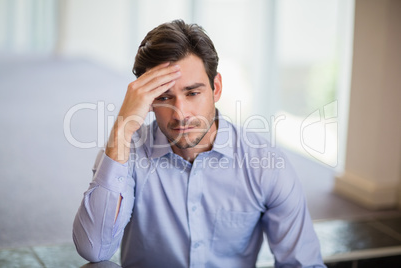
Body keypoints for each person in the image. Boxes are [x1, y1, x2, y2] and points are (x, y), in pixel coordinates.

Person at [73, 19, 326, 268]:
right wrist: (122, 127)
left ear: (216, 88)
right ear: (147, 101)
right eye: (163, 97)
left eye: (192, 93)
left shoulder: (265, 164)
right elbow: (94, 249)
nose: (180, 113)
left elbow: (302, 263)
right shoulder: (126, 153)